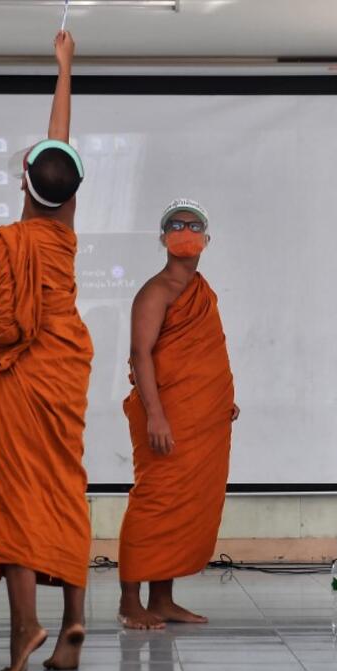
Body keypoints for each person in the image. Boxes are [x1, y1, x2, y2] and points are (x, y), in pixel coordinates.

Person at [0, 29, 92, 671]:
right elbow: (59, 143)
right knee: (64, 487)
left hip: (23, 376)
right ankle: (74, 621)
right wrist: (64, 70)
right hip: (67, 367)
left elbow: (7, 328)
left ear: (25, 184)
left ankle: (25, 626)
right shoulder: (63, 229)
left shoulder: (8, 238)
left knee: (14, 495)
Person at [116, 199, 238, 630]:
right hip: (164, 416)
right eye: (176, 224)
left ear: (207, 239)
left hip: (201, 416)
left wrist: (219, 397)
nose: (185, 230)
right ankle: (130, 602)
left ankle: (162, 599)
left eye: (194, 225)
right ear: (163, 237)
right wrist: (156, 415)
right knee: (154, 503)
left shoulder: (201, 292)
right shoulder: (156, 291)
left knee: (180, 509)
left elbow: (201, 355)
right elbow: (140, 354)